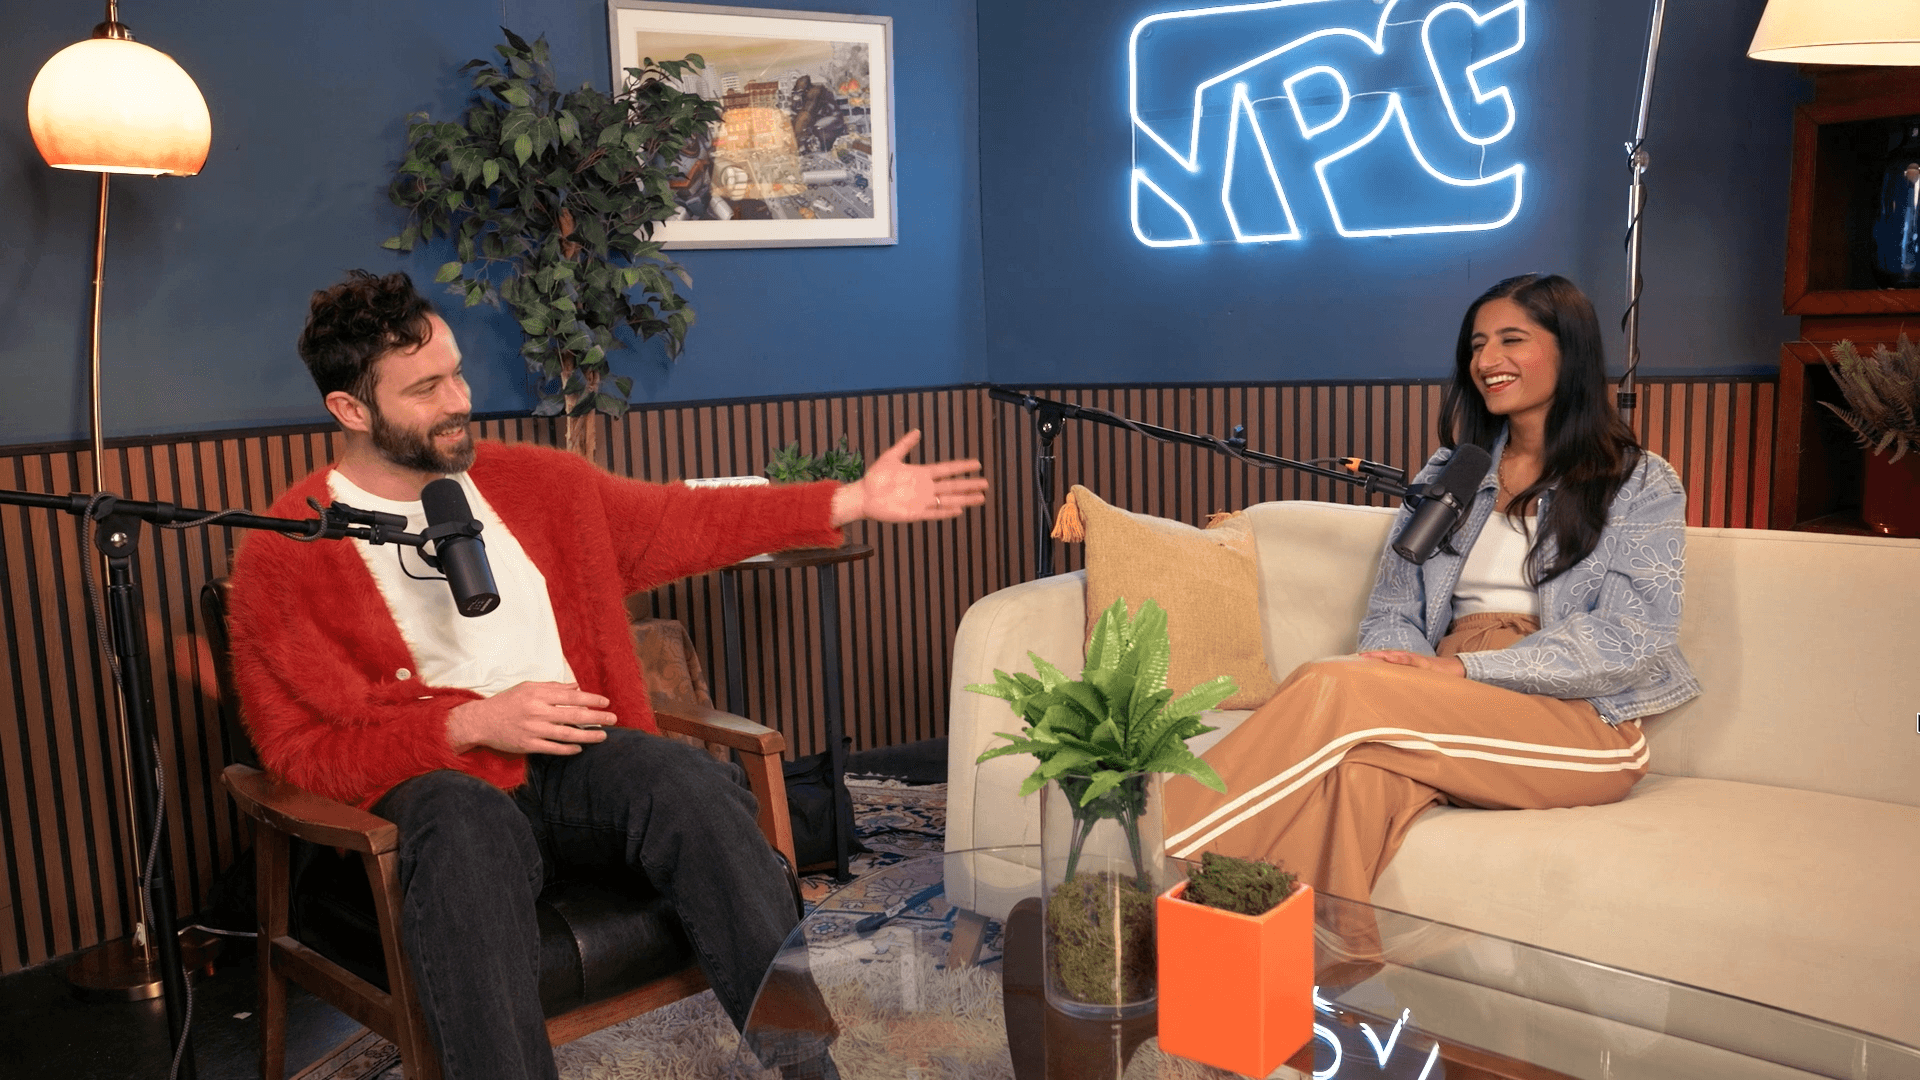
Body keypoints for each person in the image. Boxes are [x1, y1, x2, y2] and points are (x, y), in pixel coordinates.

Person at [226, 270, 989, 1080]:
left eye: (456, 373)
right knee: (464, 824)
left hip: (576, 761)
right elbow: (300, 754)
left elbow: (679, 520)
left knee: (688, 784)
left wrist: (848, 501)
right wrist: (465, 724)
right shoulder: (286, 550)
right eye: (425, 389)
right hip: (443, 793)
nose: (460, 400)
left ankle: (807, 1068)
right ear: (350, 410)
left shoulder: (536, 484)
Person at [1163, 273, 1700, 919]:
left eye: (1511, 340)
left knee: (1332, 684)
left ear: (1570, 349)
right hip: (1447, 691)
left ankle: (1144, 856)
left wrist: (1466, 669)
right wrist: (1409, 666)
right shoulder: (1454, 472)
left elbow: (1632, 637)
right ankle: (1309, 960)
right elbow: (1394, 606)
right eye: (1477, 344)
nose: (1487, 360)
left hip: (1581, 721)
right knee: (1359, 779)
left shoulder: (1638, 480)